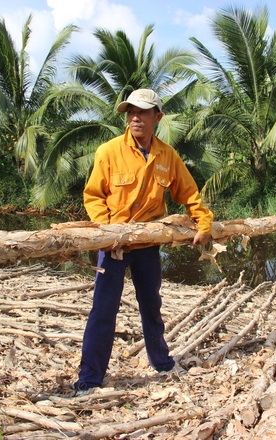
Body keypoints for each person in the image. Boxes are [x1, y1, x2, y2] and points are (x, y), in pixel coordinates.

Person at [74, 89, 214, 393]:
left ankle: (161, 362)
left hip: (148, 245)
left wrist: (203, 222)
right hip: (113, 247)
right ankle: (89, 378)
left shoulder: (167, 156)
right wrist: (108, 232)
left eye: (143, 111)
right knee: (103, 309)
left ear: (157, 117)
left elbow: (188, 193)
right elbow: (93, 196)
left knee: (151, 304)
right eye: (131, 112)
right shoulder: (109, 151)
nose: (135, 117)